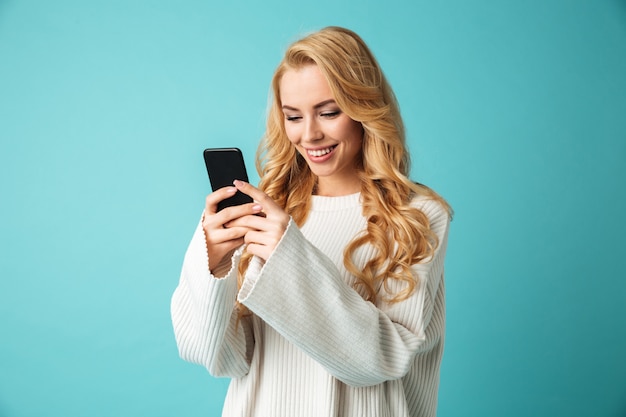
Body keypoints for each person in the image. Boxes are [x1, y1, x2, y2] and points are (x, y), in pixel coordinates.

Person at [171, 26, 452, 417]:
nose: (310, 134)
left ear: (363, 108)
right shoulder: (266, 210)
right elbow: (219, 358)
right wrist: (214, 265)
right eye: (293, 116)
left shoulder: (415, 216)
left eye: (329, 112)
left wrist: (289, 253)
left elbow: (379, 362)